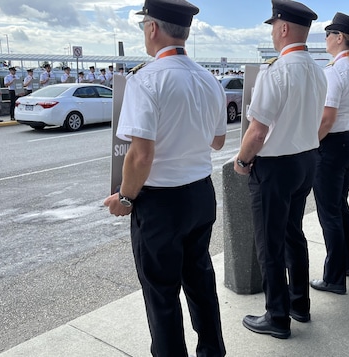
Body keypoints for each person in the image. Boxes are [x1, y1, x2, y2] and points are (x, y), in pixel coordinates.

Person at [103, 0, 226, 355]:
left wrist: (125, 199)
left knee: (161, 293)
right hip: (200, 195)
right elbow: (217, 141)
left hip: (160, 204)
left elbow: (140, 155)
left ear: (152, 28)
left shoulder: (146, 79)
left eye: (144, 26)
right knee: (200, 280)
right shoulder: (208, 79)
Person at [234, 0, 326, 340]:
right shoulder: (318, 69)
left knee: (269, 244)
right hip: (305, 159)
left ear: (284, 28)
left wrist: (242, 161)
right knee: (292, 234)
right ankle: (299, 304)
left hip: (275, 166)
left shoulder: (277, 70)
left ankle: (277, 316)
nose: (273, 32)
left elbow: (257, 131)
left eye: (274, 26)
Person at [309, 12, 349, 294]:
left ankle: (334, 278)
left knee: (329, 212)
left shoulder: (335, 71)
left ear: (339, 37)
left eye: (328, 34)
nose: (325, 39)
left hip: (334, 145)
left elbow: (326, 118)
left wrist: (311, 145)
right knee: (340, 206)